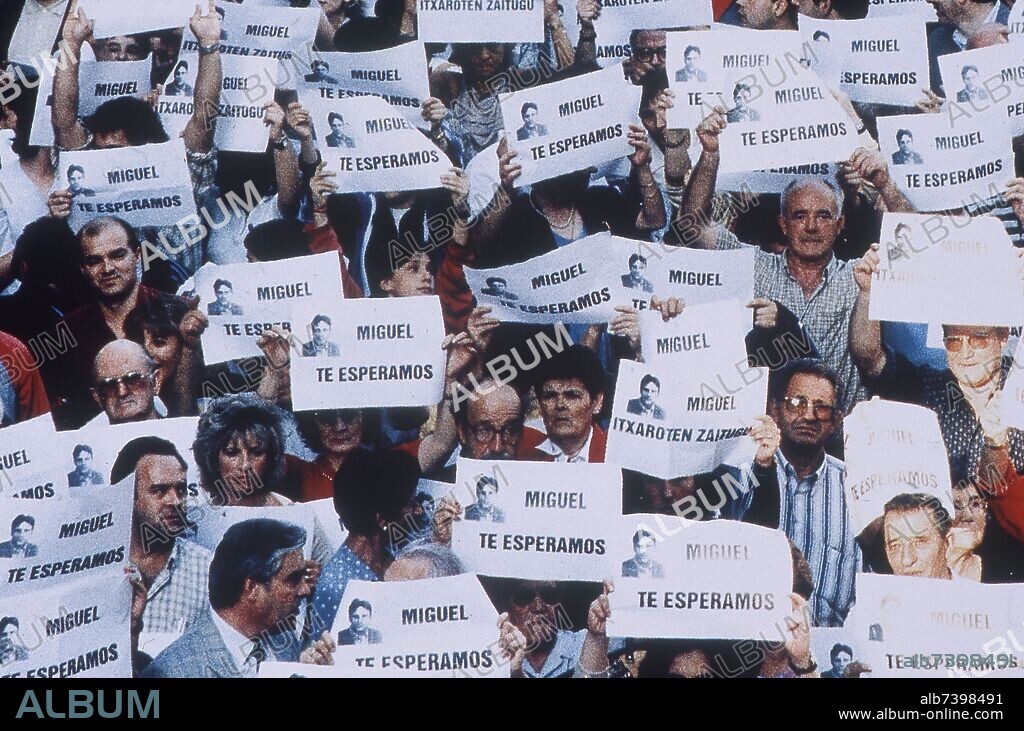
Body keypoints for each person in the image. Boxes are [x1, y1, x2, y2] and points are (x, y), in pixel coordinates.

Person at [674, 108, 914, 416]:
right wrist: (709, 154)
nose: (812, 227)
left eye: (823, 216)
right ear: (783, 224)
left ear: (840, 225)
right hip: (768, 435)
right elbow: (692, 228)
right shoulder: (754, 267)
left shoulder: (858, 277)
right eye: (800, 216)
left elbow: (917, 249)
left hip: (839, 439)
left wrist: (884, 183)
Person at [850, 244, 1024, 480]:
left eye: (979, 340)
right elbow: (868, 357)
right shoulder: (928, 388)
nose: (966, 352)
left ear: (1003, 336)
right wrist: (868, 292)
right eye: (954, 341)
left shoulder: (1019, 382)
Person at [719, 359, 860, 627]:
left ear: (836, 421)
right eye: (797, 403)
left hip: (829, 653)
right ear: (775, 409)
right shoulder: (740, 472)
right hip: (749, 647)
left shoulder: (856, 486)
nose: (808, 415)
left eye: (822, 409)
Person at [141, 519, 334, 678]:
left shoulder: (284, 640)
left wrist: (307, 671)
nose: (305, 589)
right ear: (251, 587)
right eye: (293, 579)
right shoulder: (173, 672)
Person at [311, 449, 419, 634]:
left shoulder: (393, 551)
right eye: (409, 504)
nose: (417, 511)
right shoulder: (336, 586)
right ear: (381, 520)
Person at [111, 436, 212, 634]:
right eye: (159, 490)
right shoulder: (96, 568)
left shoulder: (208, 569)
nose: (175, 501)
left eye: (181, 489)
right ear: (125, 495)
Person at [520, 344, 607, 463]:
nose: (560, 405)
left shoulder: (616, 454)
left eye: (572, 395)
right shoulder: (521, 448)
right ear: (539, 404)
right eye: (550, 396)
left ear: (597, 402)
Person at [882, 493, 954, 580]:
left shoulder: (970, 592)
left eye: (918, 543)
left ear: (948, 543)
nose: (906, 560)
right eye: (896, 546)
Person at [90, 340, 162, 425]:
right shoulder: (86, 437)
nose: (122, 392)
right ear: (97, 397)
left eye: (132, 380)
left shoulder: (179, 429)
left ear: (155, 382)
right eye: (109, 386)